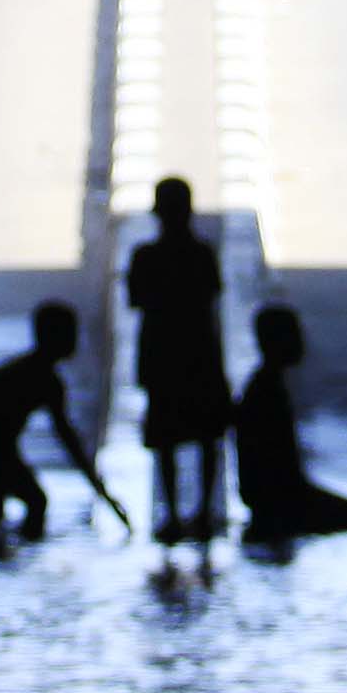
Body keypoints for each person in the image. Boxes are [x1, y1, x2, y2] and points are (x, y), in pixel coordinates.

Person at [124, 177, 235, 543]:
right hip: (198, 353)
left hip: (161, 355)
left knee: (165, 440)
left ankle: (172, 514)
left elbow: (136, 300)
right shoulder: (202, 254)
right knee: (206, 435)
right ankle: (202, 512)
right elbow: (210, 300)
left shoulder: (145, 256)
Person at [0, 301, 103, 544]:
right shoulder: (42, 379)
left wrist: (99, 487)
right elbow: (66, 437)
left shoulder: (38, 375)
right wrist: (98, 486)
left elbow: (65, 436)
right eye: (70, 333)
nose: (75, 341)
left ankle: (5, 548)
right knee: (29, 504)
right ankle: (17, 550)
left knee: (1, 511)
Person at [229, 305, 347, 542]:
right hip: (277, 499)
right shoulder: (268, 392)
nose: (302, 343)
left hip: (269, 497)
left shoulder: (264, 387)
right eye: (294, 335)